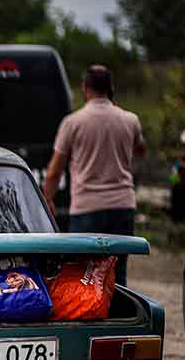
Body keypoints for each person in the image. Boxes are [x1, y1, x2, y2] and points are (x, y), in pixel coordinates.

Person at [42, 65, 147, 286]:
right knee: (118, 272)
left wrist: (47, 199)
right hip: (123, 206)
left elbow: (54, 170)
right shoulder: (130, 120)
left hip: (86, 209)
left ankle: (92, 318)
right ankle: (120, 316)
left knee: (85, 274)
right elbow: (141, 150)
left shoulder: (73, 122)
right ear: (111, 89)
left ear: (85, 88)